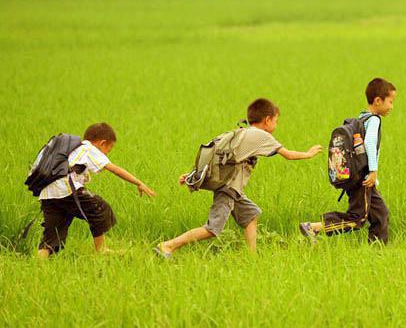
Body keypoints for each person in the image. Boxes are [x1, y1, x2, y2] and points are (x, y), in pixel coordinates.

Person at [155, 98, 322, 258]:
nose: (276, 125)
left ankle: (252, 257)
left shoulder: (240, 132)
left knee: (251, 214)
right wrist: (309, 153)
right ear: (268, 120)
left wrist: (193, 175)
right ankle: (168, 245)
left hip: (233, 189)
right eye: (276, 121)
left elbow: (214, 157)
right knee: (212, 229)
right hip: (228, 188)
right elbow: (289, 155)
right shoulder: (262, 136)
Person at [37, 122, 156, 258]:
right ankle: (101, 249)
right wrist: (139, 183)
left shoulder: (71, 149)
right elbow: (115, 170)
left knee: (53, 232)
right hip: (66, 189)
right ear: (102, 143)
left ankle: (40, 261)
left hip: (47, 192)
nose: (106, 154)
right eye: (108, 150)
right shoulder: (88, 148)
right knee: (99, 208)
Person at [300, 78, 396, 244]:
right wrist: (373, 171)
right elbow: (370, 144)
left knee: (381, 214)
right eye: (390, 102)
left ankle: (378, 252)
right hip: (363, 178)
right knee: (357, 219)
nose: (392, 107)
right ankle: (313, 227)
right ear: (378, 100)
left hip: (358, 176)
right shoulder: (373, 120)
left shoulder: (361, 118)